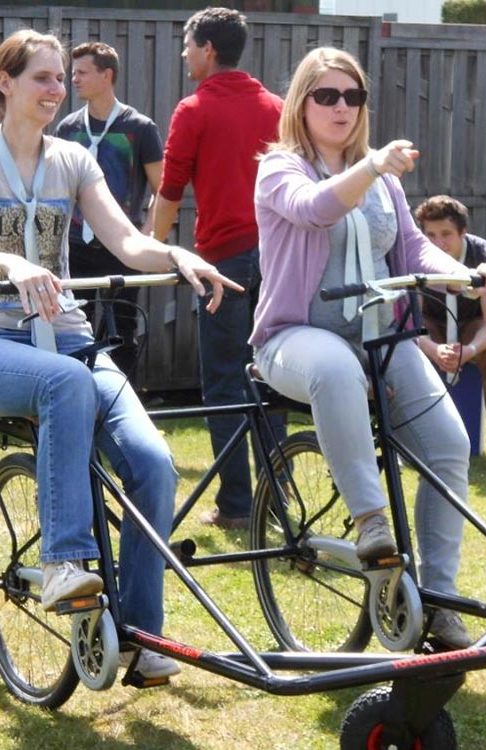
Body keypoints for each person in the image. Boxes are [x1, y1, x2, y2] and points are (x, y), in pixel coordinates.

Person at [0, 29, 242, 679]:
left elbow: (129, 243)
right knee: (64, 384)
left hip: (67, 337)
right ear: (5, 82)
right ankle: (63, 561)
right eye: (43, 78)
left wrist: (177, 254)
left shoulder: (72, 160)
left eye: (61, 77)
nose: (57, 89)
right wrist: (12, 262)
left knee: (155, 466)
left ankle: (138, 638)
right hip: (6, 344)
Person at [249, 46, 486, 649]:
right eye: (326, 96)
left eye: (353, 96)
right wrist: (371, 167)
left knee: (450, 445)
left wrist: (472, 276)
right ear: (301, 103)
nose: (341, 107)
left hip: (382, 336)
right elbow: (314, 209)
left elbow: (413, 252)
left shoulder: (381, 179)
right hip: (293, 337)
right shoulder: (280, 167)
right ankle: (371, 525)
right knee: (336, 370)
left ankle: (439, 602)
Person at [153, 7, 284, 530]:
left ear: (208, 49)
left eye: (188, 45)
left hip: (223, 263)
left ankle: (236, 507)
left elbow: (170, 190)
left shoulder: (194, 108)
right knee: (271, 377)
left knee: (226, 381)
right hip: (278, 260)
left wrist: (150, 247)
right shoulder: (276, 106)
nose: (184, 54)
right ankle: (277, 502)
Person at [54, 42, 163, 377]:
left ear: (107, 75)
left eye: (82, 72)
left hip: (121, 248)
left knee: (124, 330)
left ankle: (122, 396)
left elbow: (162, 188)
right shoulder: (68, 128)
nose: (74, 79)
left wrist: (147, 235)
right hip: (76, 247)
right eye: (73, 73)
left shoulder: (140, 128)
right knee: (74, 328)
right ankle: (81, 392)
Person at [415, 195, 486, 474]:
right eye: (430, 235)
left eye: (446, 234)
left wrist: (471, 350)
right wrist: (432, 349)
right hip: (431, 324)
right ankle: (409, 441)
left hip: (473, 323)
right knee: (401, 349)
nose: (438, 243)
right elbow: (409, 322)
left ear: (463, 232)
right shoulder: (415, 256)